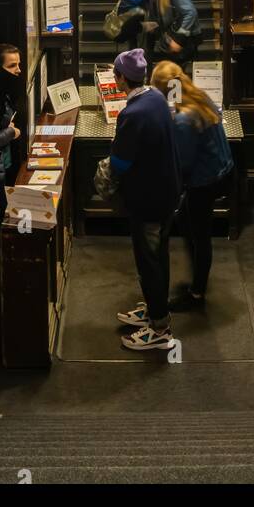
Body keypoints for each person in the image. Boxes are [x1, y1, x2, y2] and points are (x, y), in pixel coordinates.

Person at [109, 47, 181, 351]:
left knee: (149, 260)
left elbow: (120, 164)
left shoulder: (132, 113)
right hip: (167, 192)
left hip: (148, 199)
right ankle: (155, 309)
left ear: (120, 78)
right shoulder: (155, 99)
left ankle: (160, 329)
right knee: (158, 255)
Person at [151, 61, 234, 310]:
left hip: (205, 181)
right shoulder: (199, 97)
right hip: (224, 170)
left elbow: (183, 164)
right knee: (187, 223)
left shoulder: (184, 119)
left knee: (199, 234)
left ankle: (197, 294)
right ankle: (197, 278)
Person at [0, 43, 23, 258]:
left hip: (4, 166)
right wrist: (12, 133)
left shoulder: (5, 92)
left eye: (18, 64)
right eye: (12, 65)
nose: (18, 70)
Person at [144, 0, 202, 70]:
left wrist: (179, 38)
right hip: (175, 34)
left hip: (187, 37)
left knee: (176, 74)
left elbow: (190, 12)